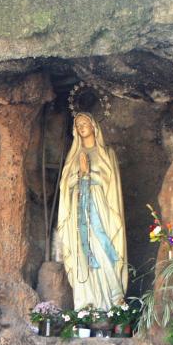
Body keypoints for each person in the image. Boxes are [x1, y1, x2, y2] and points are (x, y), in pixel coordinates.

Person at [55, 113, 128, 310]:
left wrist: (89, 174)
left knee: (102, 247)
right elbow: (65, 185)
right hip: (79, 213)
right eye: (78, 125)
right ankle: (87, 305)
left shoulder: (106, 153)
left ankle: (113, 300)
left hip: (99, 209)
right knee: (82, 252)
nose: (82, 127)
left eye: (85, 123)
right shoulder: (73, 158)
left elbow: (110, 183)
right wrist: (79, 175)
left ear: (94, 126)